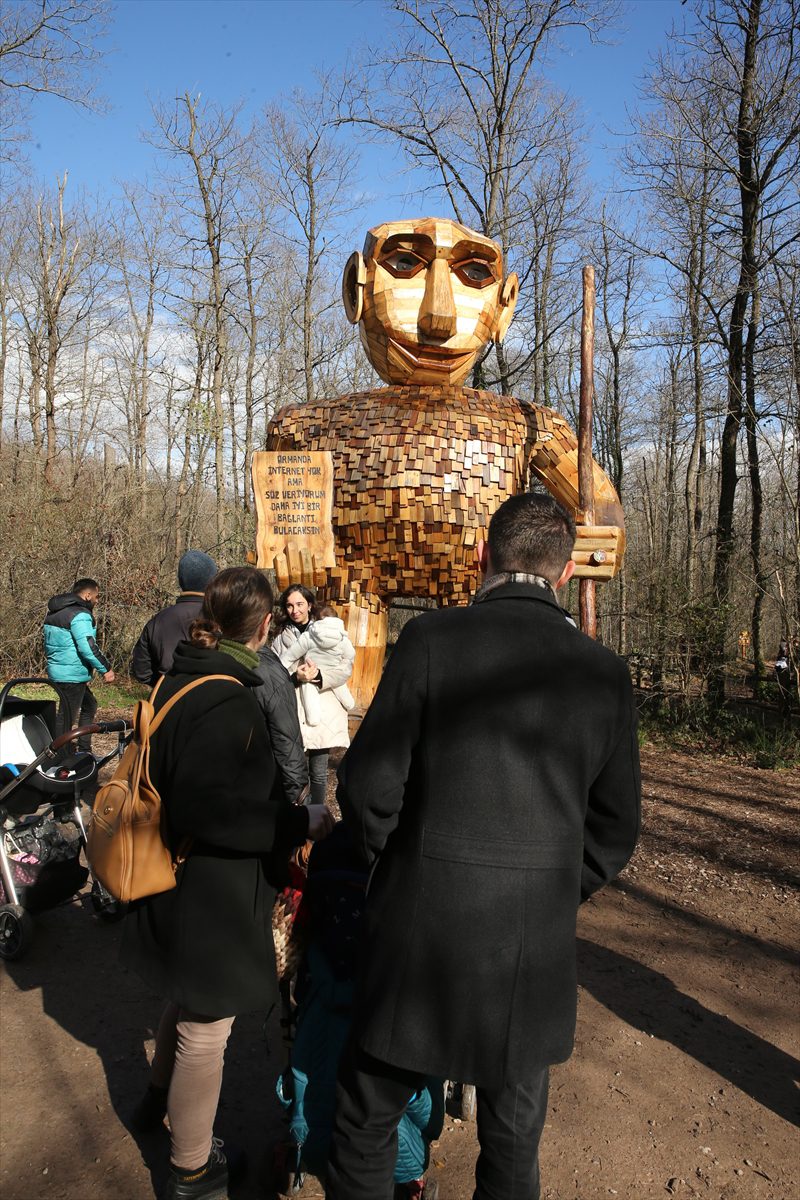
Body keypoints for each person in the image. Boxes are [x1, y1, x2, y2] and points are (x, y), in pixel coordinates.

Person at [325, 493, 641, 1200]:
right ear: (563, 576)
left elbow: (369, 788)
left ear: (481, 558)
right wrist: (554, 887)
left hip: (420, 933)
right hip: (533, 947)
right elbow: (616, 829)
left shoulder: (432, 641)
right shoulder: (603, 674)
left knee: (368, 1119)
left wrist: (398, 868)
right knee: (512, 1138)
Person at [121, 567, 334, 1200]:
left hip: (175, 872)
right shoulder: (227, 697)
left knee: (183, 999)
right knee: (207, 1026)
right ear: (266, 624)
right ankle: (192, 1169)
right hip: (208, 890)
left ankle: (156, 1102)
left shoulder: (180, 674)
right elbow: (213, 812)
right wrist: (301, 818)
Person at [272, 585, 354, 806]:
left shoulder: (329, 631)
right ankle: (298, 817)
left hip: (323, 708)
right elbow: (275, 672)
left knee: (318, 772)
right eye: (289, 605)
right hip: (292, 708)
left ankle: (318, 819)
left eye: (299, 604)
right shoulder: (279, 637)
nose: (294, 610)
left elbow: (345, 669)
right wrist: (295, 677)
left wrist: (318, 676)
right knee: (293, 770)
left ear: (309, 605)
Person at [43, 577, 115, 751]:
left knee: (89, 705)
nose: (97, 601)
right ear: (88, 595)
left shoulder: (55, 612)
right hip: (71, 675)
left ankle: (84, 748)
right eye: (97, 597)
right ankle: (60, 755)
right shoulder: (80, 615)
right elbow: (87, 647)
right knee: (66, 717)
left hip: (59, 671)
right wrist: (105, 668)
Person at [130, 550, 218, 686]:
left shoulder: (158, 621)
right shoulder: (220, 618)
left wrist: (164, 686)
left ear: (180, 580)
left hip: (168, 701)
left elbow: (141, 671)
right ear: (212, 582)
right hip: (214, 699)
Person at [277, 604, 356, 726]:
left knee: (309, 692)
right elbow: (350, 655)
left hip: (311, 670)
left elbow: (291, 654)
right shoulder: (343, 638)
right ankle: (350, 703)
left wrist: (279, 666)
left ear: (317, 621)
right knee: (339, 686)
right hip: (333, 670)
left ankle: (313, 719)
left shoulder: (309, 636)